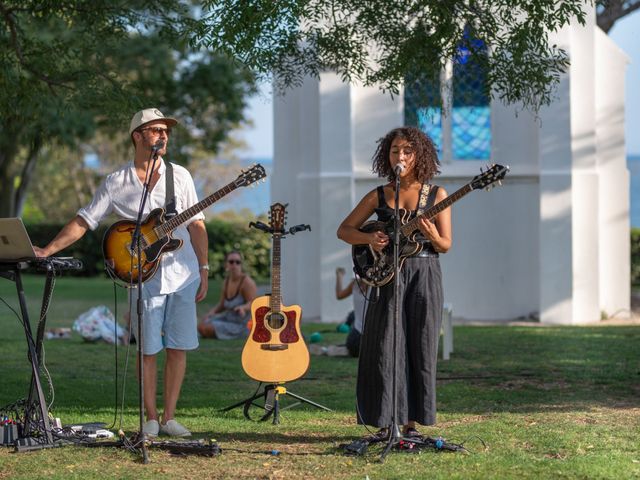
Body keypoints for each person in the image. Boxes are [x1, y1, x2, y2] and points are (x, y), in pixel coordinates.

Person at [34, 108, 209, 438]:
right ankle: (152, 417)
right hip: (142, 274)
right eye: (155, 130)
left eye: (165, 130)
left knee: (178, 346)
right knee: (147, 350)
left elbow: (197, 225)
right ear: (138, 136)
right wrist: (46, 250)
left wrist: (204, 266)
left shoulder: (180, 176)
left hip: (183, 273)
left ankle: (170, 417)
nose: (163, 135)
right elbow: (85, 220)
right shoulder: (117, 182)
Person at [336, 126, 451, 438]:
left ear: (419, 155)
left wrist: (431, 235)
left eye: (407, 151)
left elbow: (445, 244)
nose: (400, 156)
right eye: (395, 151)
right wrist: (370, 237)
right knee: (385, 345)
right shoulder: (379, 194)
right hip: (388, 275)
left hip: (425, 274)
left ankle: (411, 424)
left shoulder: (436, 195)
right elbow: (344, 230)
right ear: (387, 156)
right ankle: (388, 421)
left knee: (420, 344)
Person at [198, 251, 257, 339]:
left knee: (205, 328)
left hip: (241, 325)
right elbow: (222, 305)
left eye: (237, 262)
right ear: (226, 265)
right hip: (227, 318)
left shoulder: (247, 282)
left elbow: (253, 303)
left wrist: (243, 308)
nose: (234, 265)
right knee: (202, 324)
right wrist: (210, 313)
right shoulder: (226, 281)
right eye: (231, 262)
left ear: (241, 265)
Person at [335, 267, 368, 357]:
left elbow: (339, 295)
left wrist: (339, 276)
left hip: (354, 340)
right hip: (367, 339)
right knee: (352, 315)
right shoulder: (377, 286)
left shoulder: (355, 283)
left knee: (352, 315)